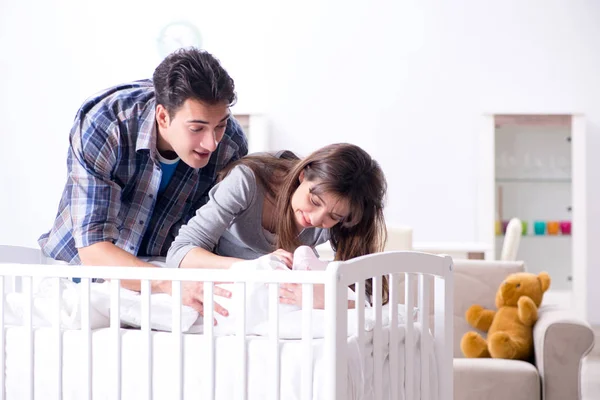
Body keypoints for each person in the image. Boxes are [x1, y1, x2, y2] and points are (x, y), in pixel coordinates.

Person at [38, 48, 248, 312]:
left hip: (166, 279)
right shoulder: (106, 123)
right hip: (81, 273)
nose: (212, 142)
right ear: (163, 116)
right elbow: (93, 249)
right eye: (197, 129)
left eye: (220, 125)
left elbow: (213, 238)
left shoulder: (231, 144)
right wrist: (167, 282)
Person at [166, 143, 389, 312]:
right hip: (230, 287)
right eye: (314, 202)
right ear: (303, 175)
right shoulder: (247, 182)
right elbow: (180, 253)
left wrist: (324, 299)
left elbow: (368, 295)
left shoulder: (341, 219)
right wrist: (255, 268)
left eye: (334, 216)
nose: (316, 219)